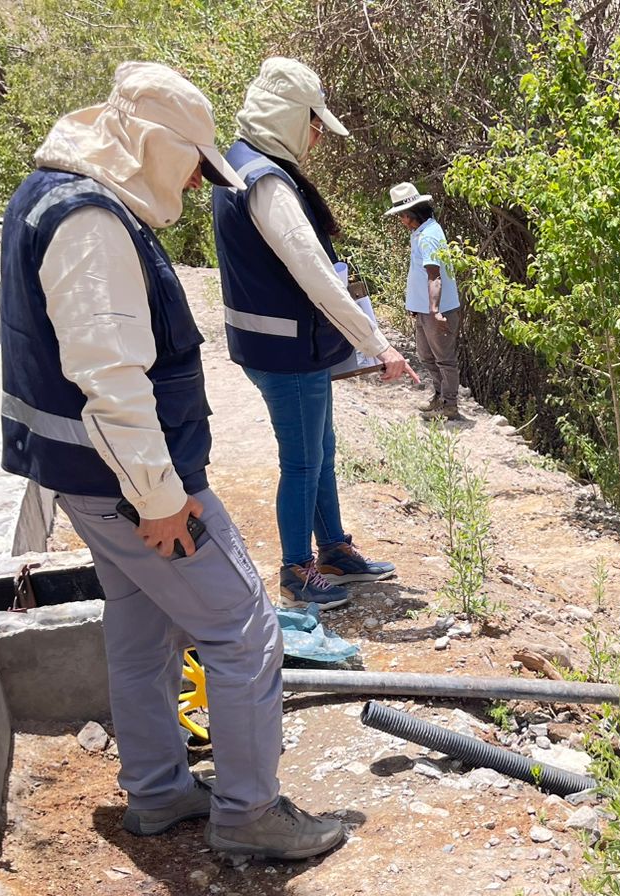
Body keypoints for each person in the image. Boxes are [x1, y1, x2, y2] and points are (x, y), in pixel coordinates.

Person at [0, 62, 345, 861]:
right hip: (127, 485)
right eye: (193, 161)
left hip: (88, 477)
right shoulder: (91, 222)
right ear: (155, 145)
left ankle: (157, 794)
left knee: (142, 627)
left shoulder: (51, 194)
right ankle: (249, 815)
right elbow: (111, 378)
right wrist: (160, 498)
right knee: (245, 630)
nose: (196, 180)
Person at [212, 57, 415, 610]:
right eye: (315, 123)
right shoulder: (267, 182)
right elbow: (317, 275)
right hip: (289, 353)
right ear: (288, 117)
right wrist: (377, 344)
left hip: (278, 347)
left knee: (319, 452)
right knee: (303, 463)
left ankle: (334, 551)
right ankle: (297, 569)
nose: (318, 137)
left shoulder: (239, 163)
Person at [386, 183, 462, 420]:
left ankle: (449, 405)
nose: (402, 221)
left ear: (411, 214)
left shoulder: (428, 236)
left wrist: (435, 310)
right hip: (424, 310)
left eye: (402, 216)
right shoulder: (424, 231)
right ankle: (440, 397)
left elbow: (434, 275)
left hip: (436, 310)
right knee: (427, 356)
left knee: (444, 359)